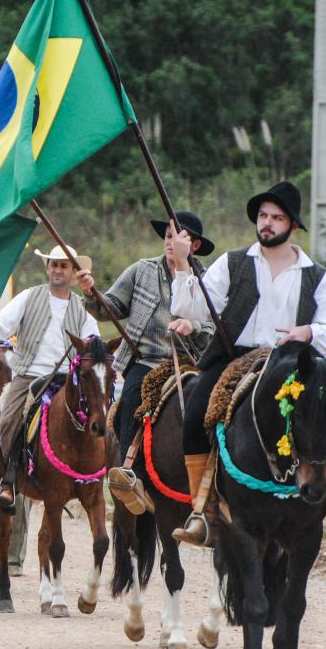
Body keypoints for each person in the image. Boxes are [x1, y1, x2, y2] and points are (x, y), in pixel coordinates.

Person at [169, 181, 326, 546]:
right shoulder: (233, 262)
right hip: (236, 358)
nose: (266, 223)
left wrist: (307, 332)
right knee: (196, 410)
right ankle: (204, 508)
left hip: (295, 363)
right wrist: (183, 263)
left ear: (292, 225)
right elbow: (193, 308)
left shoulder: (316, 275)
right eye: (263, 216)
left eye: (276, 217)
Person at [75, 212, 215, 513]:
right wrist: (90, 291)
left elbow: (214, 327)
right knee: (130, 397)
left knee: (213, 408)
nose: (171, 242)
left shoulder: (207, 279)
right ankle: (130, 475)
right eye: (168, 236)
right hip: (146, 359)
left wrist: (193, 326)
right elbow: (111, 308)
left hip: (191, 362)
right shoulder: (142, 270)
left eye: (179, 238)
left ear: (195, 245)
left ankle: (212, 482)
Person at [0, 245, 101, 576]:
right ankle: (7, 479)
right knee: (9, 421)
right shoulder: (29, 297)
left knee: (100, 420)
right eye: (53, 265)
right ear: (47, 268)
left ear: (73, 272)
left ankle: (100, 475)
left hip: (68, 381)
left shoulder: (83, 310)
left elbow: (95, 346)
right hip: (28, 376)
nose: (57, 270)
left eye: (64, 266)